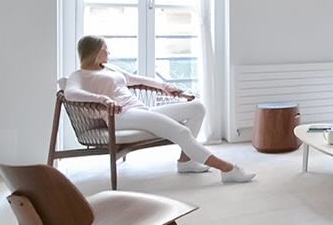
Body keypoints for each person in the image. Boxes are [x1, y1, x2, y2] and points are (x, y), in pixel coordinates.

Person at [64, 35, 256, 183]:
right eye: (106, 49)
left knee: (197, 108)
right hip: (121, 116)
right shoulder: (79, 75)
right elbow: (70, 93)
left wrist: (165, 87)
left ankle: (186, 161)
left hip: (140, 110)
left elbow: (136, 79)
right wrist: (102, 99)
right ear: (95, 52)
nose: (109, 53)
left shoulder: (110, 68)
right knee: (181, 131)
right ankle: (228, 170)